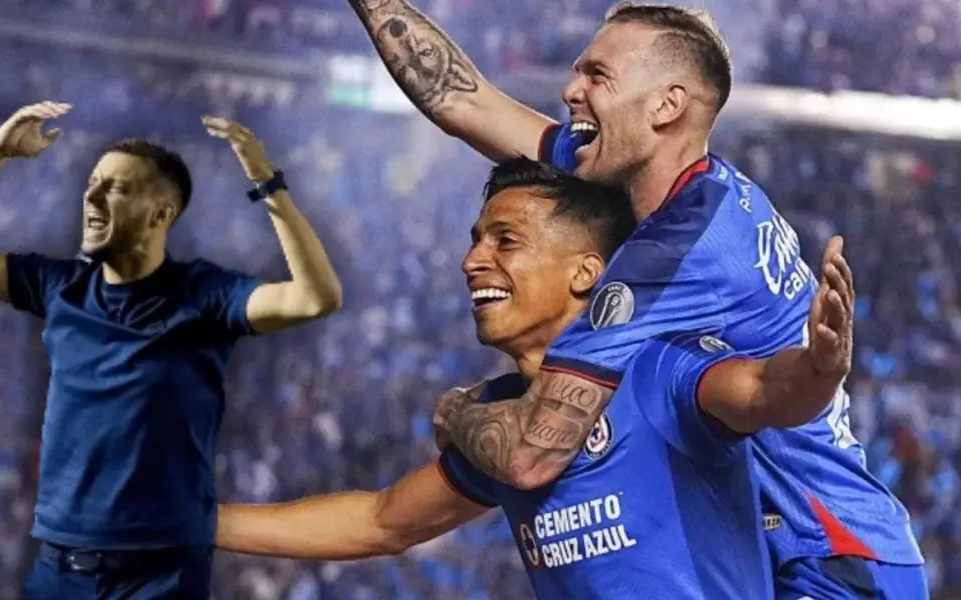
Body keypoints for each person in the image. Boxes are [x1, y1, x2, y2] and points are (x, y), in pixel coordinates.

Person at [348, 1, 926, 597]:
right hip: (793, 552)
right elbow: (464, 102)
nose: (571, 90)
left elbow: (531, 452)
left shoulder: (679, 245)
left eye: (598, 75)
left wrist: (456, 412)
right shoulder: (658, 184)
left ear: (666, 106)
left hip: (832, 560)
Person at [215, 158, 855, 599]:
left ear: (586, 273)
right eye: (476, 240)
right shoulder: (504, 418)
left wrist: (818, 366)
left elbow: (766, 390)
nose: (472, 260)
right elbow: (382, 522)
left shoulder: (659, 367)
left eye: (505, 240)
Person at [0, 102, 343, 599]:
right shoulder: (60, 287)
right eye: (91, 184)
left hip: (161, 575)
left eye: (115, 188)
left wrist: (267, 183)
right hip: (60, 569)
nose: (91, 197)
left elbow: (316, 297)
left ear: (161, 212)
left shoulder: (204, 296)